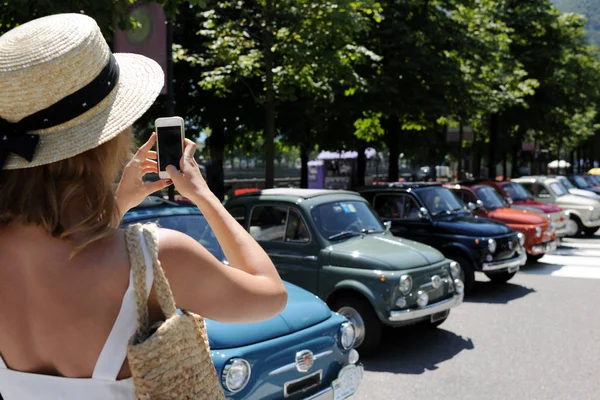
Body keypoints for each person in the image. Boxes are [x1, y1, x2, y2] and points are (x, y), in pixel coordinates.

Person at [0, 13, 286, 399]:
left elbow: (69, 251)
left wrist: (122, 200)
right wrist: (203, 195)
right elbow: (270, 295)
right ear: (108, 138)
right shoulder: (158, 259)